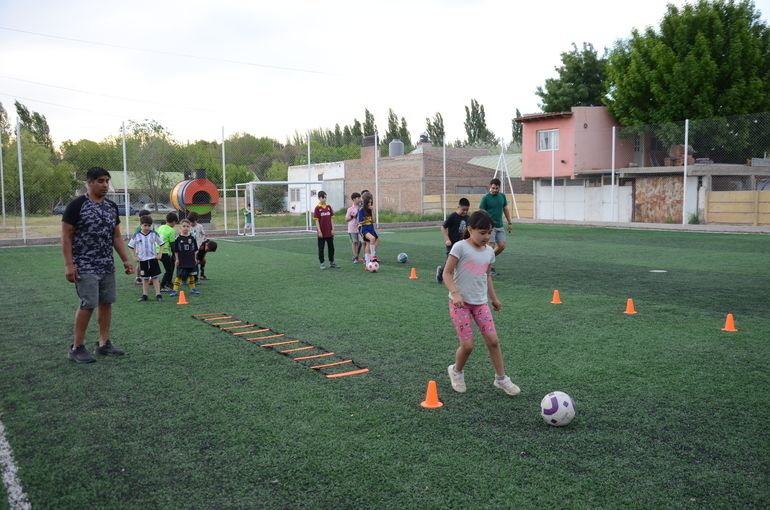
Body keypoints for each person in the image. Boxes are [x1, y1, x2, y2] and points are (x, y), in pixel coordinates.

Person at [442, 210, 520, 396]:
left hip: (480, 303)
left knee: (493, 341)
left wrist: (494, 298)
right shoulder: (459, 247)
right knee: (468, 345)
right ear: (470, 229)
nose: (487, 236)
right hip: (459, 303)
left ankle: (501, 379)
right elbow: (446, 273)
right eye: (482, 232)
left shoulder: (489, 253)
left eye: (489, 232)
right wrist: (455, 293)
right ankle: (456, 371)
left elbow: (486, 277)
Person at [62, 166, 134, 363]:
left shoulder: (111, 207)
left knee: (106, 302)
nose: (105, 185)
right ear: (90, 182)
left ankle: (103, 344)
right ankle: (77, 347)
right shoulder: (77, 205)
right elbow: (66, 237)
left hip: (106, 265)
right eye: (100, 181)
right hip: (84, 265)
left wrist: (126, 259)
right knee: (89, 303)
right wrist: (69, 265)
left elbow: (116, 236)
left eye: (107, 181)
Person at [479, 178, 513, 277]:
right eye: (493, 188)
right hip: (490, 227)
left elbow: (505, 209)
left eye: (496, 188)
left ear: (499, 188)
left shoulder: (502, 196)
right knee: (490, 247)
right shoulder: (485, 198)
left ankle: (485, 261)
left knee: (502, 246)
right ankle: (489, 267)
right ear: (490, 186)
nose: (494, 190)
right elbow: (481, 211)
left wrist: (509, 222)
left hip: (500, 226)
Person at [128, 215, 165, 302]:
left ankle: (158, 294)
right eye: (145, 225)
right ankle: (145, 295)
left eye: (149, 225)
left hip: (153, 259)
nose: (147, 227)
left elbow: (162, 244)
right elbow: (130, 246)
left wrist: (160, 254)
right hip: (143, 260)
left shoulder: (154, 234)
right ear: (140, 225)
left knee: (155, 277)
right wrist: (134, 256)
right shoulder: (136, 235)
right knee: (145, 278)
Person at [436, 197, 470, 283]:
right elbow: (443, 228)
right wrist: (447, 239)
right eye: (463, 210)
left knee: (462, 260)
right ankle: (441, 271)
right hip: (451, 244)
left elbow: (469, 230)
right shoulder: (453, 216)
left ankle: (459, 278)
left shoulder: (468, 218)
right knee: (450, 262)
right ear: (458, 207)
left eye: (467, 210)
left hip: (462, 244)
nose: (465, 212)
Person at [168, 219, 199, 297]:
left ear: (190, 228)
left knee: (191, 275)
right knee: (179, 276)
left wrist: (195, 258)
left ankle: (193, 289)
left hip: (191, 260)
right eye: (184, 226)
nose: (186, 228)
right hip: (181, 260)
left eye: (188, 226)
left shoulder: (192, 238)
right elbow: (176, 251)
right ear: (180, 227)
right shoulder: (178, 239)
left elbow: (195, 249)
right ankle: (174, 290)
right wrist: (177, 259)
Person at [314, 190, 337, 269]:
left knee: (331, 247)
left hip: (329, 231)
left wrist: (333, 229)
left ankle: (332, 262)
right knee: (321, 248)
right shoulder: (317, 208)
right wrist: (319, 231)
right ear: (319, 198)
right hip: (322, 232)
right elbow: (316, 221)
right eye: (323, 197)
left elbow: (331, 219)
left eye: (325, 197)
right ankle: (322, 263)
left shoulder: (329, 207)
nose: (324, 199)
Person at [156, 212, 178, 292]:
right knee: (169, 270)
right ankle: (161, 286)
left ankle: (169, 283)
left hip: (156, 251)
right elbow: (172, 245)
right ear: (173, 222)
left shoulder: (160, 227)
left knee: (170, 266)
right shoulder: (171, 230)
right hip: (164, 252)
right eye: (175, 222)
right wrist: (175, 255)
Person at [358, 191, 380, 267]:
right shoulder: (361, 210)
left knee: (371, 242)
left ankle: (367, 264)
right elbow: (360, 221)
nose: (370, 204)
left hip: (370, 227)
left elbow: (373, 220)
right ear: (365, 202)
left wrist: (373, 210)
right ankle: (373, 256)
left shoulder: (370, 209)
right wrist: (366, 220)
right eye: (369, 202)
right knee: (372, 238)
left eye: (371, 202)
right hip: (364, 228)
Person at [132, 208, 152, 284]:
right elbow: (134, 240)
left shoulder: (150, 226)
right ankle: (138, 278)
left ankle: (150, 277)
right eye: (148, 216)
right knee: (140, 264)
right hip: (141, 249)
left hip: (149, 249)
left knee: (150, 263)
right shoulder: (138, 228)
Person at [186, 211, 207, 280]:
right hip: (190, 248)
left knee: (202, 260)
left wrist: (201, 242)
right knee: (193, 261)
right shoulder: (187, 226)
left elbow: (203, 235)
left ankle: (202, 274)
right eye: (190, 221)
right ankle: (193, 277)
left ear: (197, 220)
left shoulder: (200, 226)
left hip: (199, 247)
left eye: (193, 222)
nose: (191, 223)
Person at [345, 192, 363, 264]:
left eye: (360, 198)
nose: (360, 199)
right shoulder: (350, 209)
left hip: (360, 228)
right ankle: (355, 257)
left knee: (361, 242)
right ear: (354, 199)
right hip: (352, 228)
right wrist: (353, 216)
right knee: (354, 242)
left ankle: (357, 256)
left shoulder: (361, 208)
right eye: (358, 198)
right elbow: (346, 219)